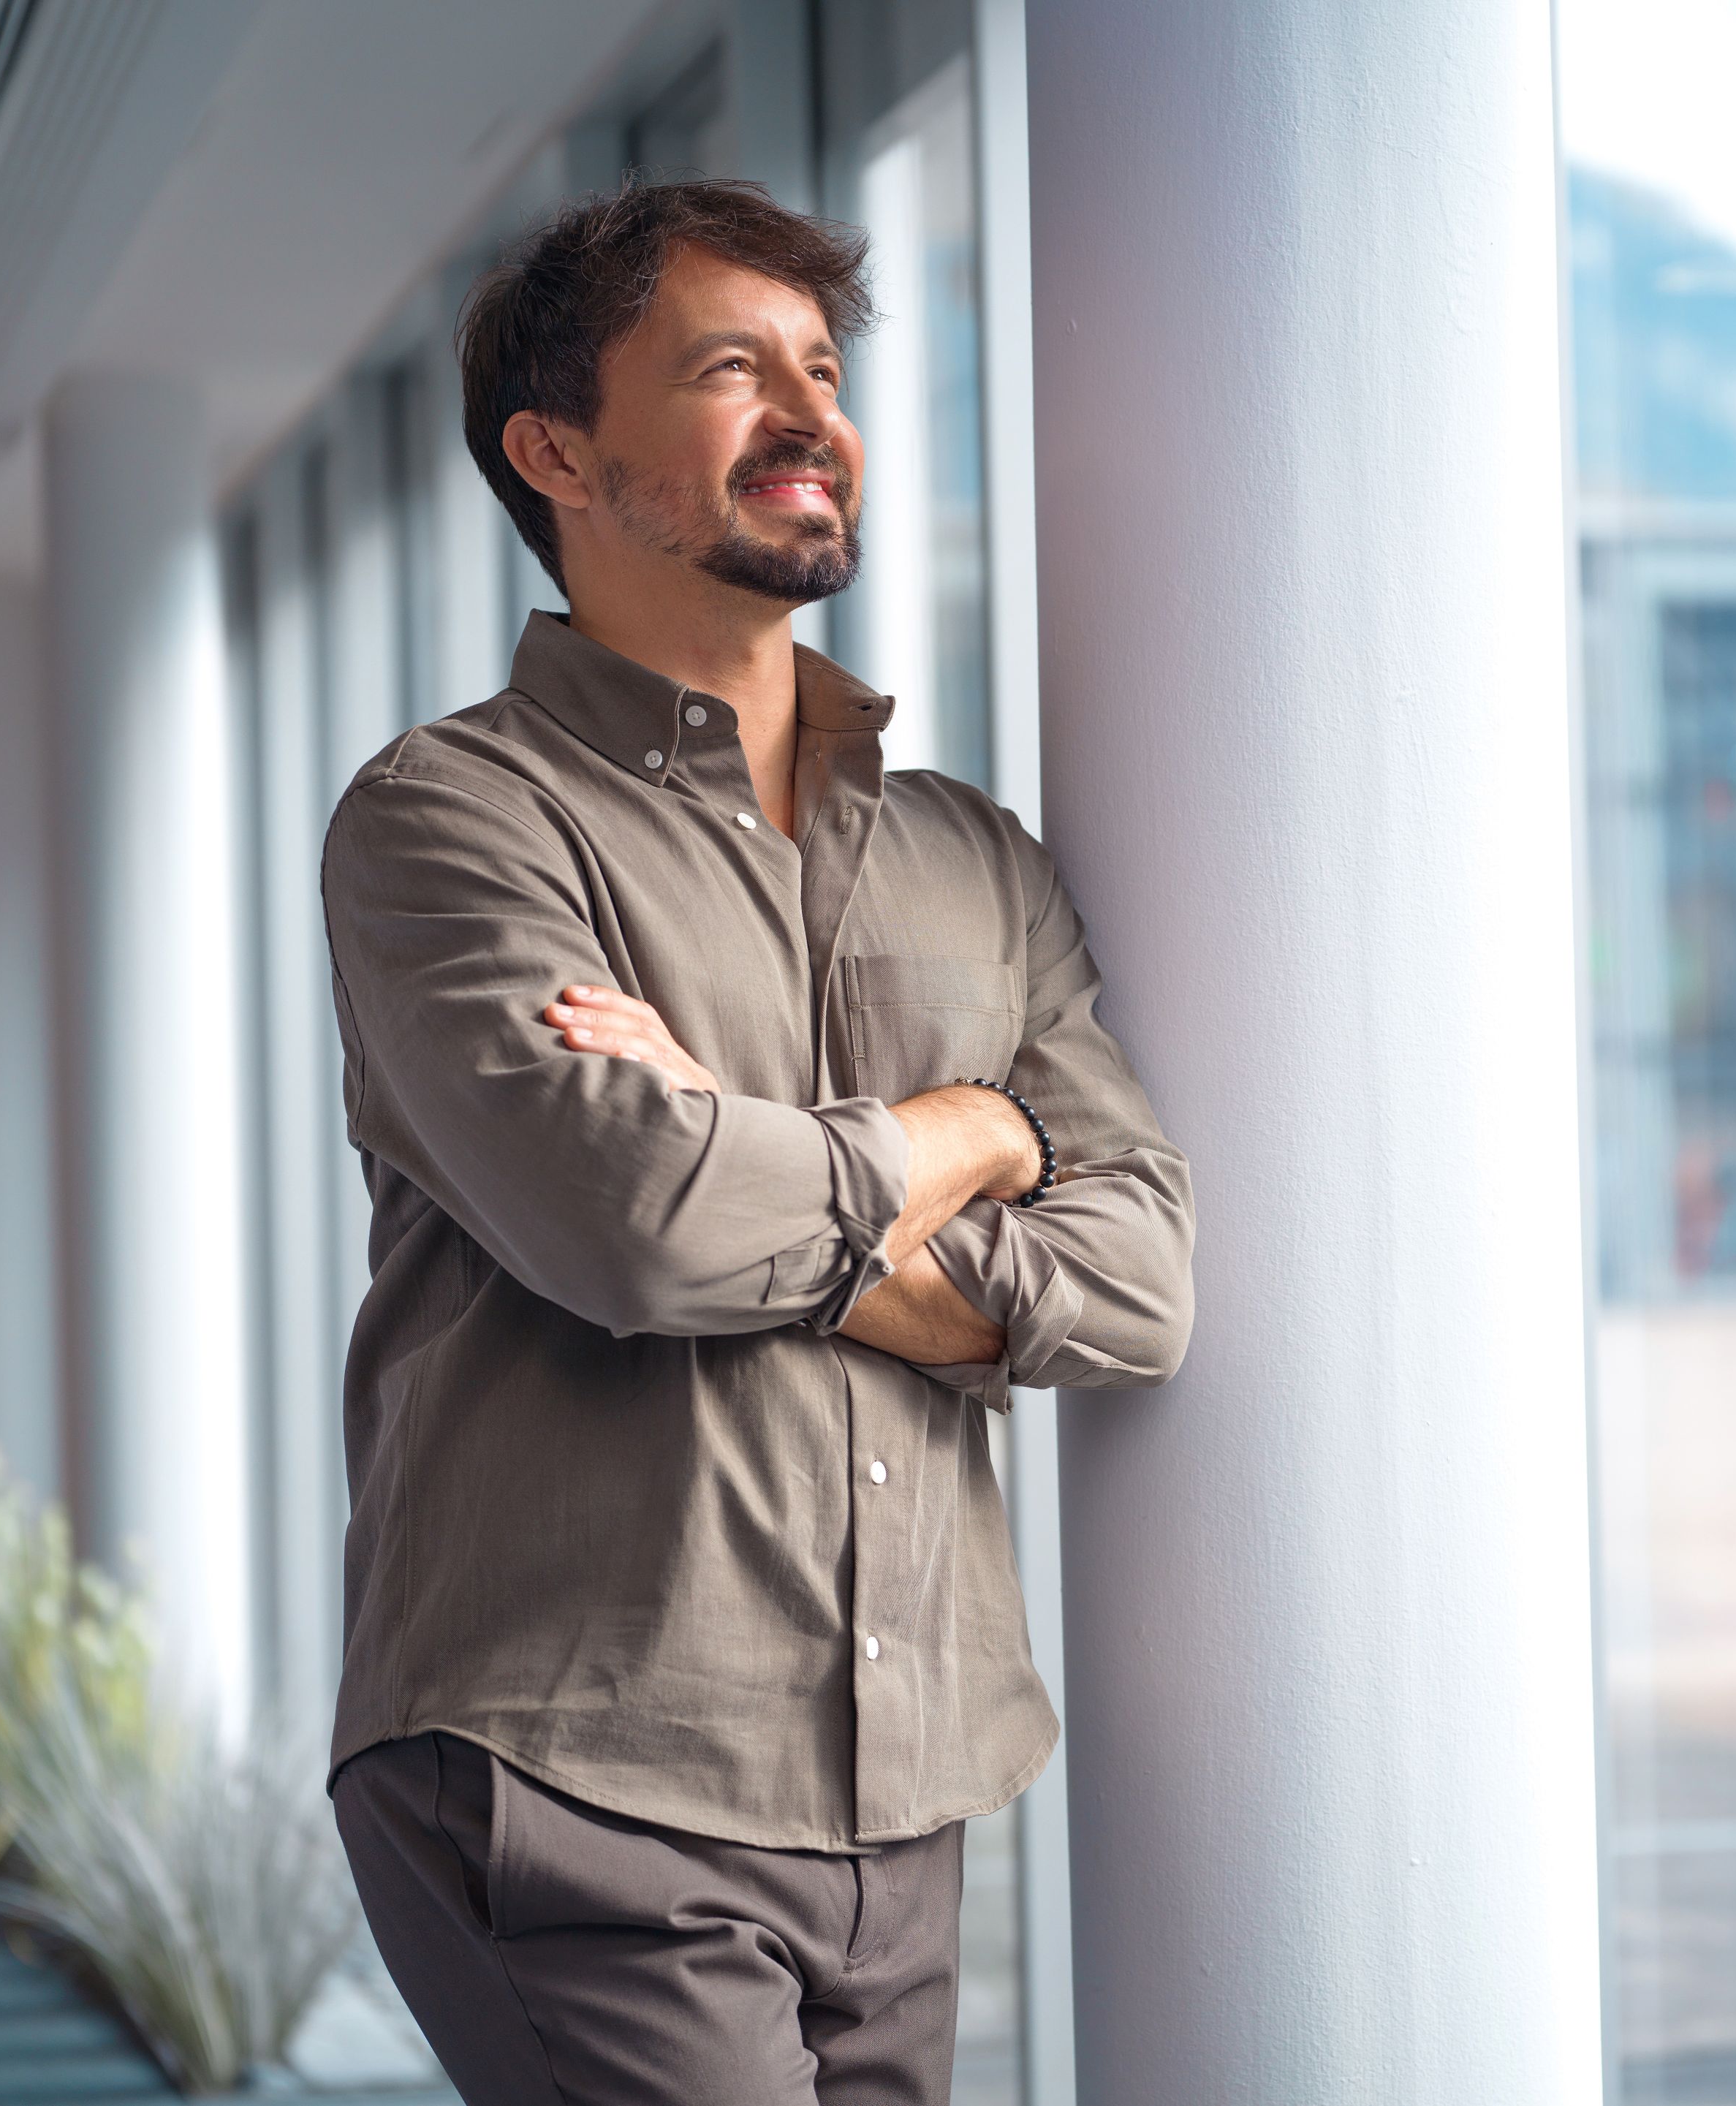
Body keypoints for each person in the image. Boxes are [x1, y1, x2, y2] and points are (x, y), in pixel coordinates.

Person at [321, 178, 1195, 2106]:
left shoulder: (971, 851)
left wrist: (746, 1155)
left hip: (910, 1786)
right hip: (578, 1755)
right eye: (732, 369)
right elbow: (632, 1224)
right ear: (557, 452)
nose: (815, 413)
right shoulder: (453, 819)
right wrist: (969, 1128)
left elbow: (1141, 1282)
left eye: (823, 364)